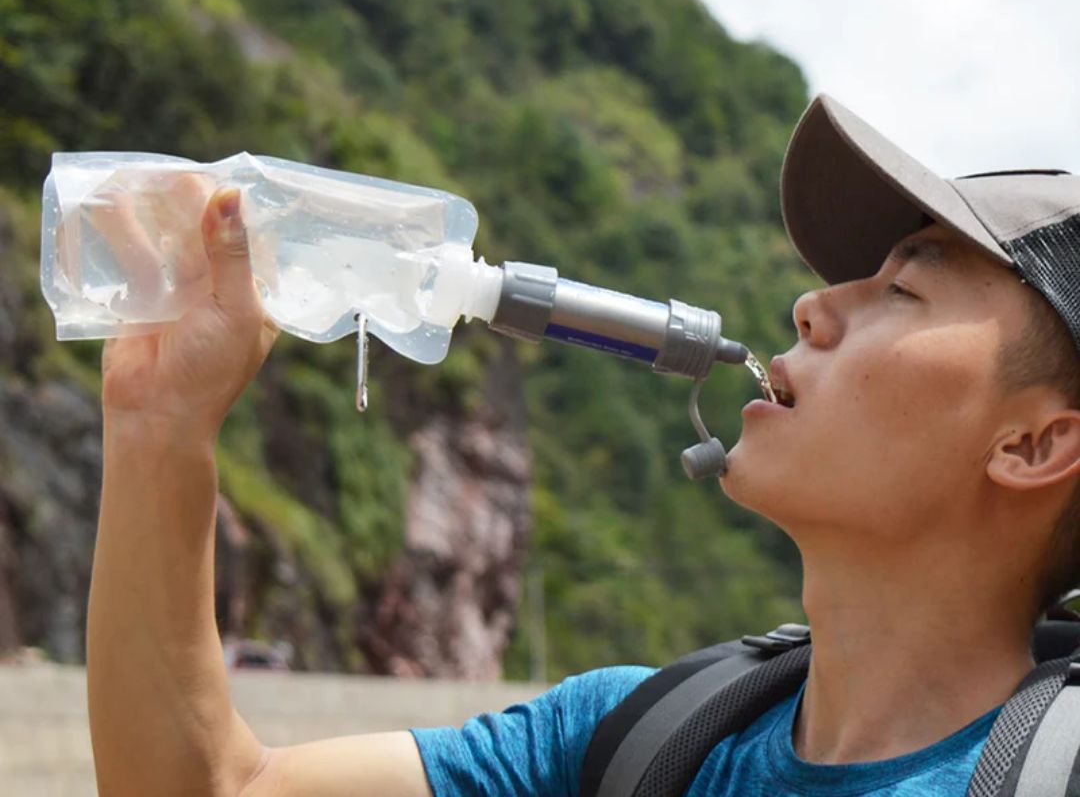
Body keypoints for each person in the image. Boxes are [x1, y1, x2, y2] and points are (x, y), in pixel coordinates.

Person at [86, 94, 1080, 795]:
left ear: (1034, 445)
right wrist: (160, 428)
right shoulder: (636, 740)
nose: (813, 303)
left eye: (905, 289)